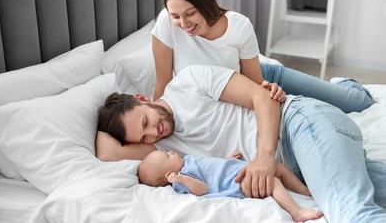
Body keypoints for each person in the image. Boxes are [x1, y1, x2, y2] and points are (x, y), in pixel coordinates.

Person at [96, 64, 386, 223]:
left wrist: (263, 157)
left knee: (351, 213)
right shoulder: (164, 152)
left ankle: (345, 87)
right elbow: (107, 153)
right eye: (143, 137)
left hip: (299, 125)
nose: (153, 133)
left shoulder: (189, 80)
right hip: (299, 168)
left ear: (141, 98)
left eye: (145, 122)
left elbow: (264, 99)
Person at [151, 0, 374, 113]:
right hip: (237, 89)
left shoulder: (239, 26)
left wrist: (270, 90)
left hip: (261, 76)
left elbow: (255, 85)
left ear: (204, 1)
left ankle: (342, 83)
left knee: (358, 103)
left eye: (190, 13)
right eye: (176, 16)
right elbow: (163, 84)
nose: (183, 23)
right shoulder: (166, 23)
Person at [138, 150, 323, 222]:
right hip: (237, 183)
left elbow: (211, 166)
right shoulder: (183, 178)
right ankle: (296, 211)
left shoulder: (188, 160)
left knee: (276, 166)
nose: (170, 152)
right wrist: (181, 180)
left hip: (240, 169)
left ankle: (305, 191)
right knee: (272, 181)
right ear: (167, 176)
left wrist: (227, 160)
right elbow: (203, 189)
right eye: (166, 157)